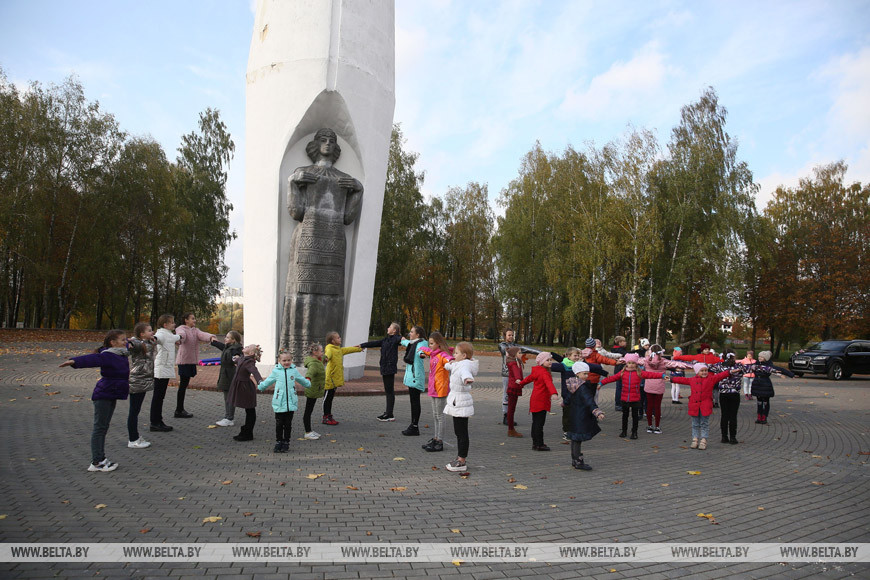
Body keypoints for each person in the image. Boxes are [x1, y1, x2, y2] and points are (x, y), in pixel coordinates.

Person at [60, 330, 130, 472]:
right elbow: (92, 359)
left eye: (126, 339)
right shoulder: (108, 355)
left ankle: (99, 459)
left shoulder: (121, 352)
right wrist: (74, 361)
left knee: (103, 427)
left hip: (111, 394)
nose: (126, 342)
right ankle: (97, 462)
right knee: (99, 428)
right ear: (113, 342)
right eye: (123, 340)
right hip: (103, 395)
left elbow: (134, 343)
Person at [670, 363, 736, 450]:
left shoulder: (711, 379)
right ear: (697, 372)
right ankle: (695, 439)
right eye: (702, 371)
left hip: (705, 405)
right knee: (695, 424)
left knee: (704, 423)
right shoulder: (692, 380)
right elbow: (682, 380)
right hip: (694, 405)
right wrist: (671, 379)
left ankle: (704, 439)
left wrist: (730, 372)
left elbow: (720, 375)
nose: (704, 372)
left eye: (706, 370)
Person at [599, 353, 665, 440]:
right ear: (626, 363)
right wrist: (601, 383)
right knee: (625, 416)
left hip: (635, 398)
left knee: (635, 417)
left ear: (636, 363)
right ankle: (624, 431)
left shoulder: (639, 372)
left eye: (633, 363)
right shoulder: (622, 373)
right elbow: (612, 378)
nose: (631, 365)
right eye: (629, 363)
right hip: (624, 398)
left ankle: (634, 432)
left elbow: (651, 375)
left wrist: (662, 375)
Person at [258, 349, 310, 453]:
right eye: (284, 360)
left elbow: (300, 379)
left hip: (291, 402)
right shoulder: (276, 371)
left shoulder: (293, 370)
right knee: (279, 423)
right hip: (279, 402)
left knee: (288, 424)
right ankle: (278, 442)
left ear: (291, 360)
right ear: (279, 361)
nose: (286, 362)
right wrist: (261, 386)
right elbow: (269, 380)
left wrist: (308, 383)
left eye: (288, 360)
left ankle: (286, 442)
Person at [442, 342, 479, 473]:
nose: (454, 355)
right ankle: (460, 458)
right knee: (459, 432)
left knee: (461, 433)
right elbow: (450, 366)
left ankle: (461, 460)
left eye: (456, 353)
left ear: (464, 355)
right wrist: (447, 363)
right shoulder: (459, 364)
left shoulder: (464, 366)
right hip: (458, 402)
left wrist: (467, 379)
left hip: (460, 403)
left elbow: (465, 373)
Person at [639, 345, 691, 434]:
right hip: (659, 386)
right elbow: (677, 364)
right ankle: (657, 426)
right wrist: (692, 365)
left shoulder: (645, 360)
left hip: (648, 386)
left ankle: (650, 426)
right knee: (657, 407)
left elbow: (633, 360)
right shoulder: (664, 362)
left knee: (649, 406)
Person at [564, 362, 605, 470]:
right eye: (584, 374)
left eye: (587, 374)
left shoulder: (572, 384)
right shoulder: (582, 387)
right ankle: (578, 461)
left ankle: (575, 459)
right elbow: (589, 400)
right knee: (577, 439)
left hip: (574, 414)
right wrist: (597, 412)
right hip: (581, 415)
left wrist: (565, 403)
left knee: (574, 439)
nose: (587, 376)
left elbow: (568, 397)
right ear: (578, 373)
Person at [174, 313, 215, 419]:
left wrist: (211, 337)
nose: (194, 320)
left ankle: (180, 409)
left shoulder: (195, 330)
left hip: (191, 361)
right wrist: (179, 338)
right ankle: (179, 410)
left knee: (184, 384)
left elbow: (202, 335)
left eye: (194, 318)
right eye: (192, 319)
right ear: (186, 320)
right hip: (184, 361)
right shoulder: (181, 328)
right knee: (183, 386)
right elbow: (181, 335)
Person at [360, 322, 403, 422]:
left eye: (390, 327)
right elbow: (374, 343)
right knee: (388, 391)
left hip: (389, 368)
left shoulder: (396, 338)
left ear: (394, 331)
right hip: (384, 367)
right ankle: (388, 412)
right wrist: (362, 345)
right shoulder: (386, 339)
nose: (388, 328)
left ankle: (389, 414)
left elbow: (400, 339)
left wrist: (403, 339)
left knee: (389, 391)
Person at [518, 352, 560, 451]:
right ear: (541, 362)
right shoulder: (544, 373)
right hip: (541, 401)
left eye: (550, 360)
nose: (550, 362)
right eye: (547, 360)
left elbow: (529, 378)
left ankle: (535, 443)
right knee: (539, 424)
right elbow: (548, 383)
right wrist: (554, 393)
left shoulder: (537, 370)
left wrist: (521, 383)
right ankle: (539, 444)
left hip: (535, 400)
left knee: (536, 423)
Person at [419, 332, 453, 452]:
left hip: (440, 388)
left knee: (440, 415)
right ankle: (435, 438)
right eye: (429, 343)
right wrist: (422, 353)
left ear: (438, 343)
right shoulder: (433, 354)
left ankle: (440, 441)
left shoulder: (442, 355)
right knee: (435, 415)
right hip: (433, 387)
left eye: (432, 343)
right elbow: (422, 349)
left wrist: (451, 362)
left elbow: (449, 359)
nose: (430, 345)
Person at [497, 329, 539, 426]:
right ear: (505, 336)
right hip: (507, 373)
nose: (511, 337)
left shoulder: (516, 346)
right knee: (506, 394)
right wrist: (516, 351)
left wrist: (541, 352)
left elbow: (528, 349)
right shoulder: (502, 345)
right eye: (509, 335)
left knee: (513, 395)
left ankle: (510, 416)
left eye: (512, 335)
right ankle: (505, 415)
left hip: (515, 374)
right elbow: (506, 351)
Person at [126, 323, 156, 449]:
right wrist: (129, 343)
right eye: (149, 331)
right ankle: (133, 439)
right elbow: (132, 345)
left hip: (142, 381)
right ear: (141, 334)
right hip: (137, 381)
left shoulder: (148, 342)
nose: (152, 332)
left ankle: (135, 437)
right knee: (134, 411)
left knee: (135, 410)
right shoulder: (138, 343)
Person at [323, 331, 362, 426]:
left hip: (335, 380)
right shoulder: (330, 349)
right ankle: (326, 417)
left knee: (330, 398)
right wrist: (325, 358)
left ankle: (329, 416)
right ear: (332, 341)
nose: (340, 339)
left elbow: (348, 349)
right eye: (338, 338)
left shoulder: (338, 349)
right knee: (327, 399)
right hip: (330, 379)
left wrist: (359, 348)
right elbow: (327, 355)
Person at [746, 350, 796, 425]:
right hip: (757, 384)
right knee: (759, 402)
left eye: (762, 357)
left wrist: (791, 374)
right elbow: (745, 367)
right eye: (759, 356)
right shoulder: (755, 365)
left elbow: (780, 369)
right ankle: (759, 417)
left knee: (765, 401)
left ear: (765, 358)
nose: (759, 358)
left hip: (765, 384)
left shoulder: (769, 366)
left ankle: (764, 417)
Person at [227, 344, 264, 441]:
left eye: (248, 347)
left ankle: (248, 432)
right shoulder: (243, 358)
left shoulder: (249, 362)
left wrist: (260, 381)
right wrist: (235, 359)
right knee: (249, 410)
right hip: (239, 385)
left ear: (251, 353)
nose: (245, 346)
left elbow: (255, 372)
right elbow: (237, 360)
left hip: (245, 387)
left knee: (250, 409)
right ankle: (246, 432)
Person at [151, 314, 180, 432]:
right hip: (161, 369)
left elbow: (174, 338)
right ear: (165, 325)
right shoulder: (161, 334)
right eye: (172, 322)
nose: (174, 324)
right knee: (158, 397)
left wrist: (180, 336)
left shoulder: (168, 334)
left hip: (165, 369)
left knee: (160, 397)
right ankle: (155, 422)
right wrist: (153, 339)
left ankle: (158, 420)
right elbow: (157, 338)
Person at [710, 351, 744, 444]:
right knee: (733, 416)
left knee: (724, 415)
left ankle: (724, 437)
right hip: (734, 393)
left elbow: (707, 366)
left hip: (723, 393)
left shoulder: (719, 366)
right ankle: (733, 437)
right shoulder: (739, 366)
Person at [212, 330, 243, 427]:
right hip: (226, 374)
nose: (225, 338)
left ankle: (229, 418)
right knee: (227, 396)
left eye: (228, 337)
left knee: (229, 397)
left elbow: (237, 357)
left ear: (233, 340)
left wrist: (237, 359)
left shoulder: (235, 350)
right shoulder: (229, 347)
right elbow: (222, 347)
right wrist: (214, 342)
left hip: (230, 375)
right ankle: (228, 416)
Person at [399, 326, 427, 436]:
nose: (409, 333)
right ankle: (413, 425)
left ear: (418, 334)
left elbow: (421, 351)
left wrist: (422, 354)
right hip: (411, 377)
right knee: (413, 401)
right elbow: (406, 343)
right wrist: (402, 340)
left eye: (411, 332)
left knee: (415, 402)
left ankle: (414, 426)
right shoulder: (412, 343)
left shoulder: (421, 343)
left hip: (416, 377)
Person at [301, 343, 326, 440]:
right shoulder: (313, 364)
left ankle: (309, 431)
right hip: (312, 390)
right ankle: (307, 432)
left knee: (309, 411)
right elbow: (310, 373)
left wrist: (325, 357)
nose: (322, 352)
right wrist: (307, 380)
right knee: (308, 411)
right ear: (315, 352)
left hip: (315, 389)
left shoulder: (317, 360)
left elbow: (323, 358)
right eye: (321, 351)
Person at [504, 346, 525, 437]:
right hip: (513, 387)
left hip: (514, 386)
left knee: (511, 409)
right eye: (519, 353)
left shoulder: (516, 362)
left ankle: (511, 428)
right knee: (511, 409)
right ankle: (511, 429)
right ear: (514, 355)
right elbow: (516, 373)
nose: (521, 354)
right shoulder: (513, 363)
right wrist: (518, 380)